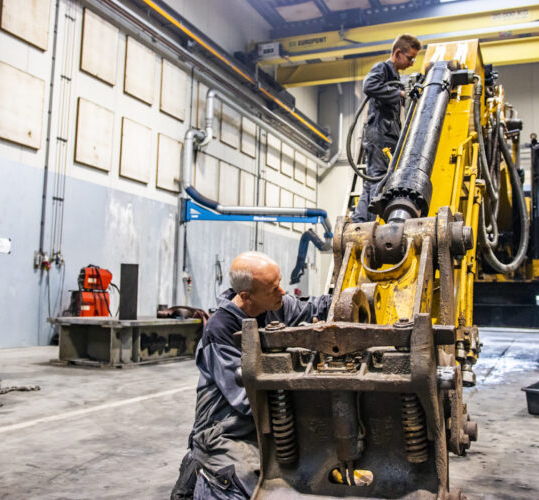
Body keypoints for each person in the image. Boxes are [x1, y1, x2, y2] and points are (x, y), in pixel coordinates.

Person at [171, 251, 331, 500]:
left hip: (265, 422)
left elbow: (314, 307)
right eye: (273, 288)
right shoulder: (221, 331)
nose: (283, 292)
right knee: (246, 487)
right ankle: (202, 471)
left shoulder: (276, 306)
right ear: (247, 296)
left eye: (279, 284)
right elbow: (248, 400)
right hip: (226, 429)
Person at [352, 33, 421, 223]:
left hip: (386, 133)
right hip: (380, 134)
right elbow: (369, 85)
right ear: (398, 53)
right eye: (410, 58)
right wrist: (399, 93)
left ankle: (360, 219)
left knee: (373, 179)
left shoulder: (395, 76)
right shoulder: (382, 68)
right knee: (380, 178)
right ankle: (374, 222)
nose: (412, 62)